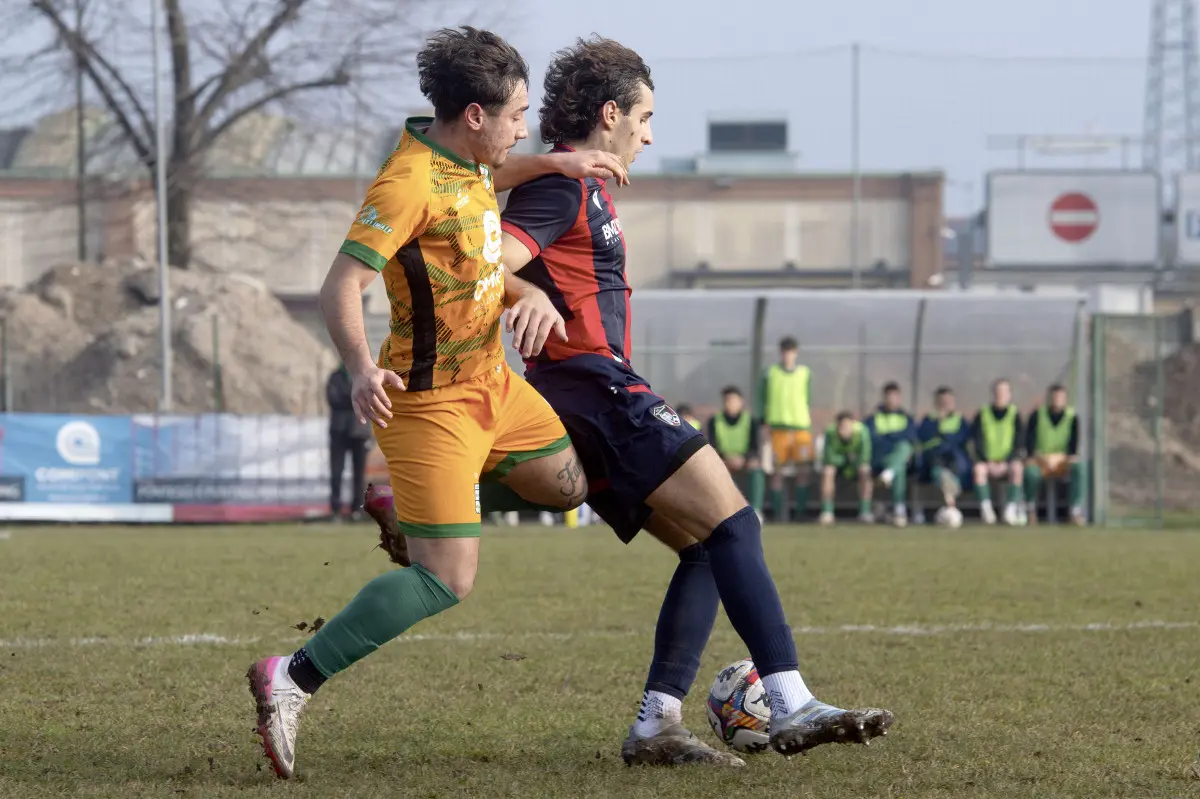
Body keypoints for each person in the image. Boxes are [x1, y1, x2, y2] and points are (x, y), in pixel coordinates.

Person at [368, 35, 892, 765]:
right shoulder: (561, 187)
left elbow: (490, 241)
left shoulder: (576, 183)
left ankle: (656, 721)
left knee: (706, 548)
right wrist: (524, 296)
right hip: (594, 384)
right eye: (645, 117)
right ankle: (791, 700)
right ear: (610, 113)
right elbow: (485, 261)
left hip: (587, 389)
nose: (649, 134)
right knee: (737, 523)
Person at [246, 27, 633, 780]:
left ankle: (415, 509)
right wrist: (360, 367)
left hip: (495, 382)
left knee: (570, 484)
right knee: (446, 579)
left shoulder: (469, 158)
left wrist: (557, 161)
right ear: (476, 115)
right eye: (518, 113)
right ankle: (290, 676)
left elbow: (493, 177)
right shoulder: (408, 182)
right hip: (431, 406)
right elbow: (341, 285)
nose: (527, 124)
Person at [758, 337, 814, 522]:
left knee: (803, 470)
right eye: (784, 351)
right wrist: (764, 424)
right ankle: (779, 513)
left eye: (790, 351)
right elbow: (762, 400)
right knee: (777, 471)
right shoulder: (770, 373)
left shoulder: (805, 373)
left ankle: (800, 512)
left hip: (800, 429)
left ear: (796, 353)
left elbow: (808, 399)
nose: (787, 355)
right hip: (778, 429)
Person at [1024, 383, 1086, 526]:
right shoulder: (1037, 415)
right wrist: (1043, 458)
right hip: (1041, 461)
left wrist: (1059, 458)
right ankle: (1030, 510)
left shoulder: (1072, 417)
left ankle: (1075, 511)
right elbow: (1029, 446)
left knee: (1079, 468)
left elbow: (1073, 449)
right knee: (1030, 472)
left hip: (1062, 462)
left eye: (1060, 397)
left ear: (1065, 399)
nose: (1057, 400)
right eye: (1054, 397)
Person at [971, 378, 1026, 526]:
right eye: (998, 392)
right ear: (993, 393)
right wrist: (987, 460)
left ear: (1009, 394)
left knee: (1017, 469)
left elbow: (1019, 442)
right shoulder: (982, 413)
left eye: (1004, 392)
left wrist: (1007, 461)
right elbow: (977, 440)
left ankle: (1010, 510)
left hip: (1007, 462)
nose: (1000, 395)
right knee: (978, 470)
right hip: (987, 461)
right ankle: (987, 511)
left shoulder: (1015, 414)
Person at [863, 382, 917, 527]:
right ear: (884, 398)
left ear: (900, 399)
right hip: (880, 458)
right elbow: (873, 440)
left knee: (904, 452)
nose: (892, 400)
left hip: (899, 458)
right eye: (889, 397)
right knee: (900, 461)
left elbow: (910, 438)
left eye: (895, 397)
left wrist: (888, 436)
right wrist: (894, 437)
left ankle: (889, 475)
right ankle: (899, 510)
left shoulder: (907, 418)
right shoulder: (873, 418)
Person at [707, 386, 765, 516]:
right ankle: (721, 510)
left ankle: (756, 510)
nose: (730, 404)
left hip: (745, 459)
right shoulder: (714, 420)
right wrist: (726, 458)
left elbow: (755, 447)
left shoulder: (751, 420)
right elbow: (711, 446)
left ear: (741, 402)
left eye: (733, 400)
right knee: (710, 469)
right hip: (723, 460)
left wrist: (743, 458)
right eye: (727, 400)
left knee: (756, 468)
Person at [326, 363, 373, 520]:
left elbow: (369, 399)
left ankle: (356, 509)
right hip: (339, 430)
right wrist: (354, 397)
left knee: (359, 474)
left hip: (360, 431)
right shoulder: (335, 376)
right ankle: (336, 509)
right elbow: (333, 399)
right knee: (336, 471)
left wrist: (352, 397)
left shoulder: (365, 377)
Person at [916, 386, 971, 518]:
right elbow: (925, 438)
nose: (945, 404)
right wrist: (938, 424)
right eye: (942, 401)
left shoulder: (960, 420)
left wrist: (943, 436)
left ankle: (950, 506)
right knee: (939, 473)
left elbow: (961, 439)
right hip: (934, 461)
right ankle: (950, 507)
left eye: (948, 401)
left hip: (956, 463)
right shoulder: (928, 420)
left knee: (954, 471)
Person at [818, 412, 872, 525]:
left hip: (856, 466)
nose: (845, 430)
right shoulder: (830, 432)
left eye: (847, 426)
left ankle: (865, 512)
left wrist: (854, 462)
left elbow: (865, 456)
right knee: (828, 471)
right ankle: (827, 512)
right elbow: (829, 457)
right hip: (840, 465)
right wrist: (847, 459)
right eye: (842, 427)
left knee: (865, 470)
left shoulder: (862, 431)